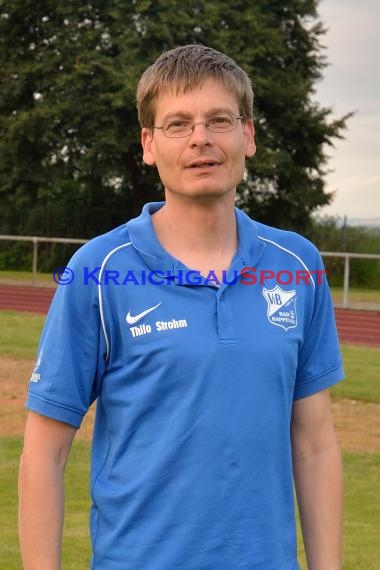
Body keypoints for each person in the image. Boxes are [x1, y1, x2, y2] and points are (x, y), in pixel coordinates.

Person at [19, 44, 344, 570]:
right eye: (178, 123)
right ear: (148, 144)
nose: (201, 139)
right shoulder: (98, 271)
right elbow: (44, 454)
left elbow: (314, 445)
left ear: (249, 135)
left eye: (220, 119)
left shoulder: (298, 264)